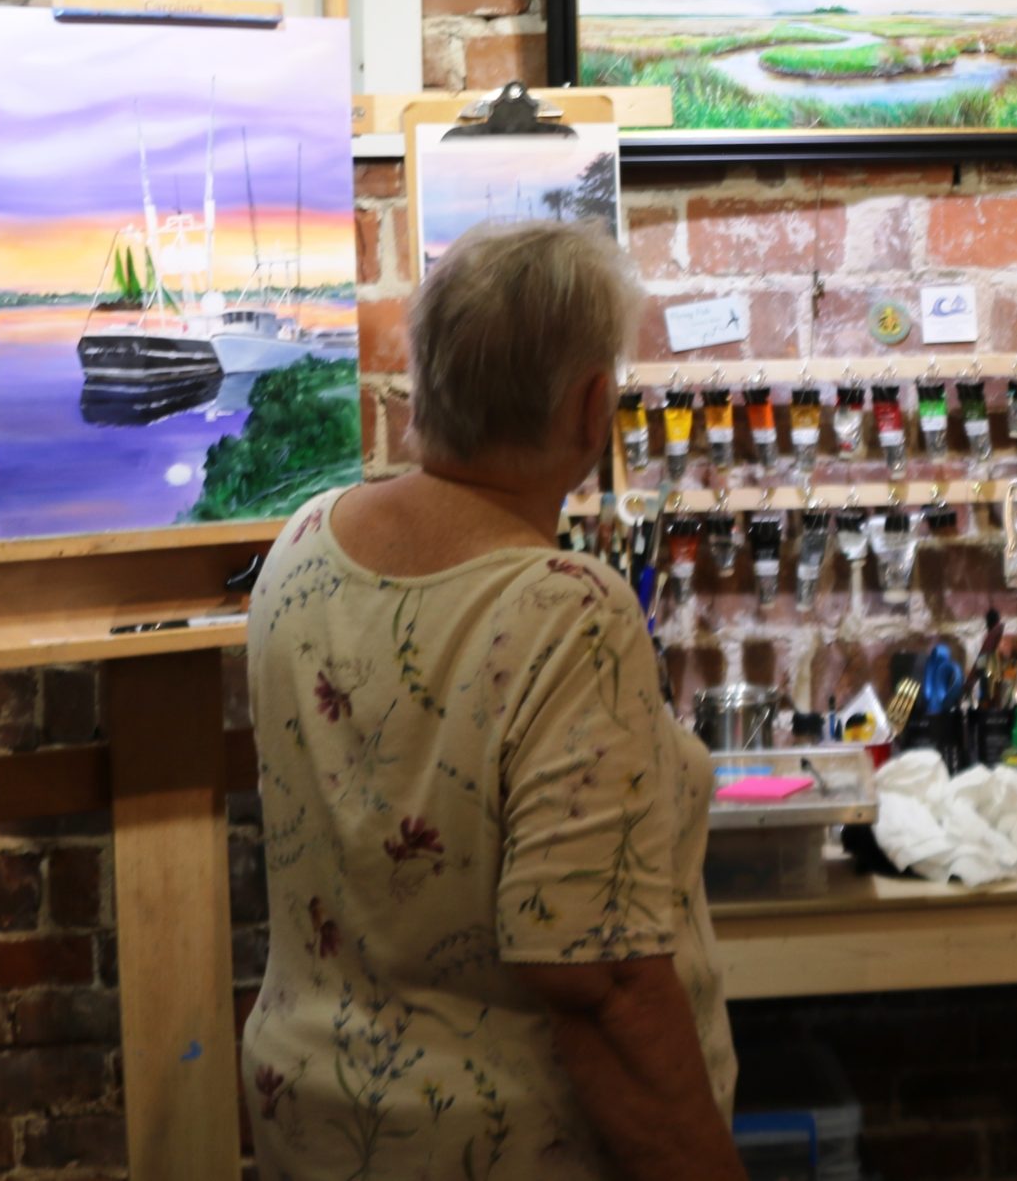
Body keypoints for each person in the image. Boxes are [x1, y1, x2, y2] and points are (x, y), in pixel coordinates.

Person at [240, 221, 747, 1181]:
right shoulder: (568, 613)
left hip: (307, 1122)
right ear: (593, 405)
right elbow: (601, 983)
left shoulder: (302, 547)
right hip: (506, 1149)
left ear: (422, 377)